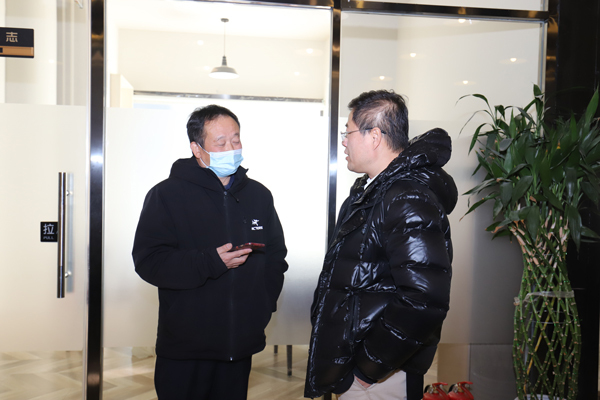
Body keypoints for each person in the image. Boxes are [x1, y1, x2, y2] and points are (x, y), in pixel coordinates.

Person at [305, 90, 458, 400]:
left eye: (347, 132)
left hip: (383, 376)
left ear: (374, 136)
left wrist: (367, 369)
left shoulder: (406, 198)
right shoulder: (373, 191)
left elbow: (423, 299)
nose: (344, 142)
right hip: (362, 365)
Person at [132, 104, 288, 400]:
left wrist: (262, 307)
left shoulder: (258, 195)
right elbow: (149, 261)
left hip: (239, 345)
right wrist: (210, 261)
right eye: (221, 142)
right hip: (185, 348)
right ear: (197, 148)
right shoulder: (166, 195)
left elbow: (275, 258)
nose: (231, 149)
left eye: (236, 140)